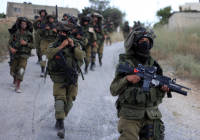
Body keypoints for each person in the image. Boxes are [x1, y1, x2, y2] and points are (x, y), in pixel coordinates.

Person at [110, 26, 169, 140]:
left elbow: (158, 96)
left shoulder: (154, 65)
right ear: (135, 43)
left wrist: (163, 89)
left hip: (151, 115)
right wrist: (127, 79)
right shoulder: (126, 64)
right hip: (130, 114)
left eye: (147, 41)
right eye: (142, 41)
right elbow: (113, 90)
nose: (145, 44)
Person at [46, 24, 85, 138]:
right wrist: (61, 47)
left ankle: (60, 118)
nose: (62, 34)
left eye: (65, 33)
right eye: (61, 32)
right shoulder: (54, 44)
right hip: (59, 77)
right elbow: (48, 55)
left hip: (72, 77)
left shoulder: (75, 44)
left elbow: (81, 56)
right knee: (59, 98)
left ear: (68, 34)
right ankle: (61, 123)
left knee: (70, 99)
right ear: (58, 33)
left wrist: (73, 47)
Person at [8, 17, 33, 93]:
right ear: (20, 24)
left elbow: (33, 45)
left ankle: (18, 86)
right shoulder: (15, 32)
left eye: (25, 24)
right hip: (15, 54)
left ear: (27, 25)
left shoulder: (29, 34)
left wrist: (26, 44)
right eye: (22, 24)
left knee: (21, 70)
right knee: (13, 70)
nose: (23, 25)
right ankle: (15, 79)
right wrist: (11, 49)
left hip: (24, 55)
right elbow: (9, 43)